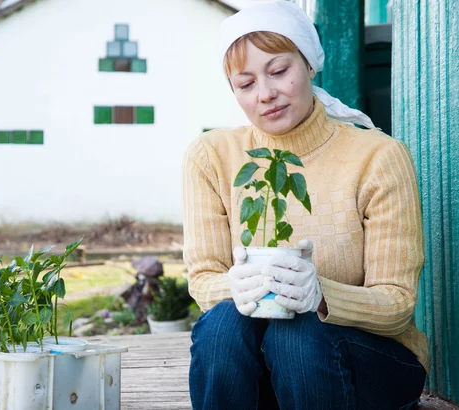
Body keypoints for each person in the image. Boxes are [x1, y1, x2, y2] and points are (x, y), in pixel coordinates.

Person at [181, 2, 429, 409]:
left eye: (279, 71)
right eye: (245, 84)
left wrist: (321, 295)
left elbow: (397, 304)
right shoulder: (211, 157)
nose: (265, 94)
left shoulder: (378, 157)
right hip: (264, 365)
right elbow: (205, 278)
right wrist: (234, 286)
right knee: (223, 323)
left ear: (310, 64)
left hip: (374, 362)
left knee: (295, 331)